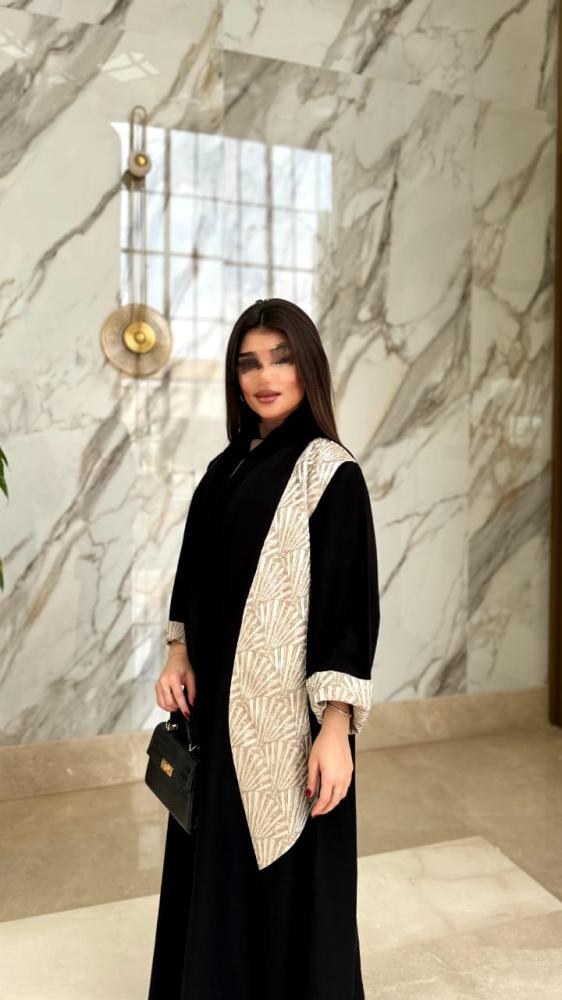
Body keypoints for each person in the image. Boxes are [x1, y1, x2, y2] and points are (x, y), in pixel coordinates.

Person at [147, 297, 380, 1000]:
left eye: (281, 359)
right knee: (213, 869)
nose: (265, 376)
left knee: (286, 883)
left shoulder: (329, 472)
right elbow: (193, 575)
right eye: (249, 363)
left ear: (308, 367)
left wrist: (334, 728)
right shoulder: (225, 467)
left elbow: (348, 609)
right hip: (213, 716)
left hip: (284, 724)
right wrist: (178, 653)